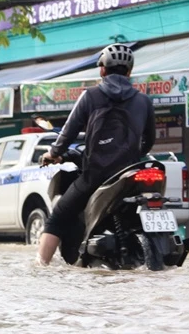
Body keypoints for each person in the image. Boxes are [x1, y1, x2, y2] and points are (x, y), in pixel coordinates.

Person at [37, 44, 155, 266]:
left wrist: (53, 154)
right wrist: (134, 157)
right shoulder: (143, 101)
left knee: (57, 217)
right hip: (130, 175)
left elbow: (67, 134)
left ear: (102, 70)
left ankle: (39, 268)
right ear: (129, 72)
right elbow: (149, 140)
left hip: (95, 175)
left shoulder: (90, 96)